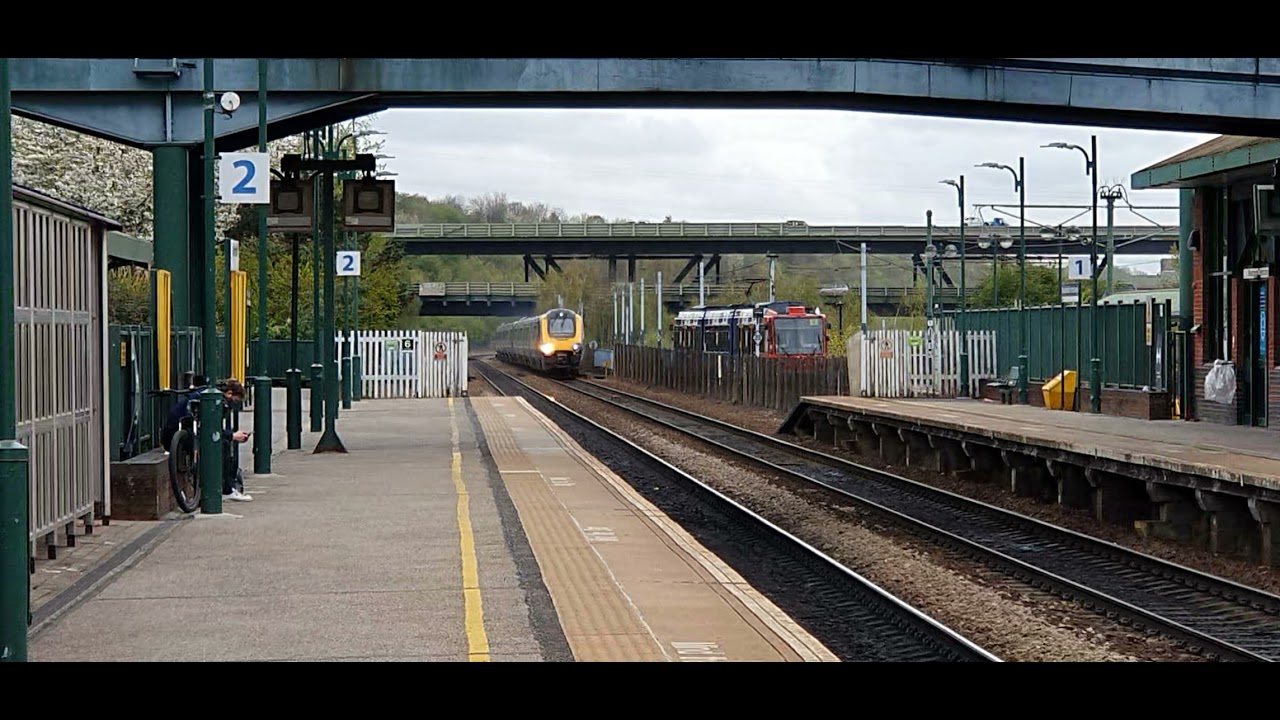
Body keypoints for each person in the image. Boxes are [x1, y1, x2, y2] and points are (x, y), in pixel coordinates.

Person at [160, 378, 253, 502]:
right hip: (187, 437)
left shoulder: (199, 394)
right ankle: (227, 489)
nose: (232, 404)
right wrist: (233, 436)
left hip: (171, 437)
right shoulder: (214, 400)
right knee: (223, 445)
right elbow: (210, 429)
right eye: (234, 400)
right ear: (229, 393)